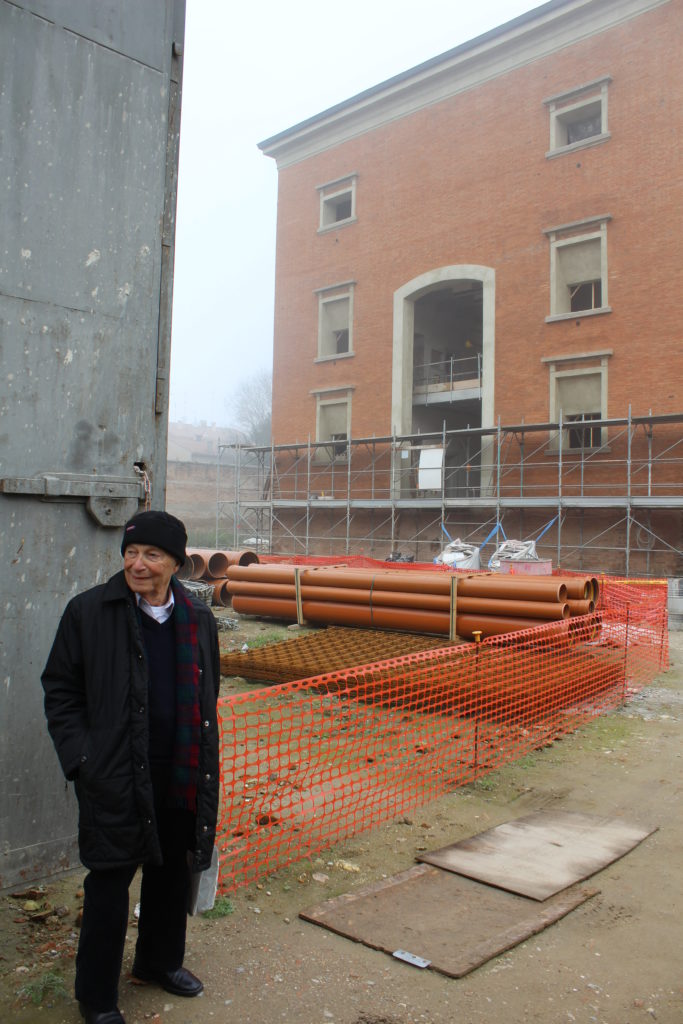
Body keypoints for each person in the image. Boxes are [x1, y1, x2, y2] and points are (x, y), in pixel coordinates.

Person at [42, 511, 220, 1024]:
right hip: (115, 771)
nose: (137, 565)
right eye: (131, 553)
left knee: (170, 874)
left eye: (151, 555)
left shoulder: (197, 617)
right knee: (109, 885)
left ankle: (159, 963)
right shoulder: (90, 612)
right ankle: (96, 997)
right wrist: (82, 758)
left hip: (182, 768)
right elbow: (61, 689)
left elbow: (207, 693)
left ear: (176, 562)